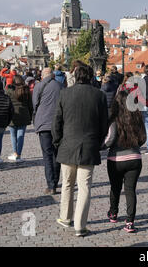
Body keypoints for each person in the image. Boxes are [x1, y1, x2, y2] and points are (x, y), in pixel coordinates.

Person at [52, 65, 108, 237]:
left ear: (75, 76)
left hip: (67, 145)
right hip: (89, 145)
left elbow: (57, 122)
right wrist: (98, 143)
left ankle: (65, 217)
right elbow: (104, 124)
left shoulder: (65, 93)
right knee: (84, 187)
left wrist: (57, 142)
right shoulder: (99, 95)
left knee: (67, 184)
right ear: (91, 77)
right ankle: (80, 225)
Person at [104, 90, 146, 233]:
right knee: (130, 190)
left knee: (115, 188)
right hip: (135, 159)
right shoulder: (137, 118)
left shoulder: (114, 120)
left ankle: (113, 213)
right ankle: (130, 222)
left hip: (116, 159)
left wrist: (101, 146)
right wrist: (134, 147)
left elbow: (109, 140)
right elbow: (143, 139)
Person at [33, 68, 64, 195]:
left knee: (47, 154)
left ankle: (51, 185)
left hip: (44, 124)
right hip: (58, 124)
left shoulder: (39, 86)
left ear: (43, 76)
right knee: (56, 154)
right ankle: (55, 181)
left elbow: (35, 104)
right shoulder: (60, 86)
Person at [6, 75, 33, 162]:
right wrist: (31, 115)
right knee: (21, 136)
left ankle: (15, 153)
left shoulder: (9, 90)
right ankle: (19, 154)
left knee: (13, 136)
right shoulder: (26, 90)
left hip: (13, 114)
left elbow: (7, 103)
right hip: (24, 114)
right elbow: (30, 104)